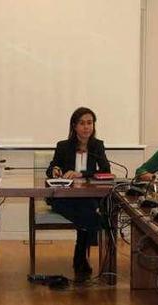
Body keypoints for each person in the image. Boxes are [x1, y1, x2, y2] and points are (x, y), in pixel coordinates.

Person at [46, 107, 110, 280]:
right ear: (74, 126)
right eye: (82, 123)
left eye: (89, 123)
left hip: (87, 197)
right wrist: (56, 170)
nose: (86, 127)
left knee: (88, 207)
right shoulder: (63, 146)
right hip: (64, 197)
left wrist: (82, 174)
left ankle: (80, 254)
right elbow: (51, 168)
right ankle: (81, 253)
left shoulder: (97, 146)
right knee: (92, 215)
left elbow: (106, 171)